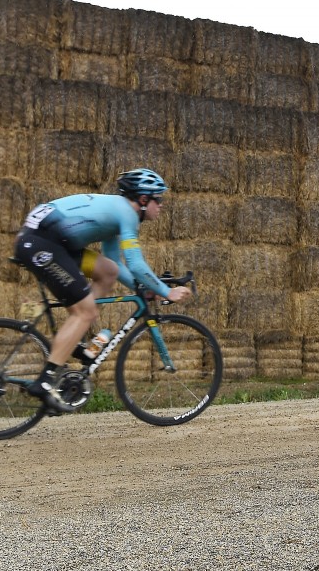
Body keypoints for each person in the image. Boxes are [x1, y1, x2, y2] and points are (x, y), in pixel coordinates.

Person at [12, 168, 191, 413]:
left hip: (54, 243)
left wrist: (145, 289)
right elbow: (136, 264)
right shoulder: (126, 214)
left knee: (106, 271)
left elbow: (115, 264)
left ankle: (77, 339)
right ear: (142, 199)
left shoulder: (117, 214)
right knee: (85, 313)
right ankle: (45, 382)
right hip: (42, 243)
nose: (161, 205)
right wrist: (166, 291)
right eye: (158, 199)